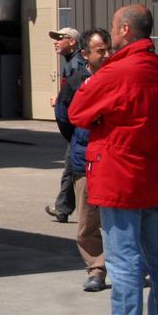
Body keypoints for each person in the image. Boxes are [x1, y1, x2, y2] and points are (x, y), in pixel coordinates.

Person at [69, 5, 158, 315]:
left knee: (123, 257)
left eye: (115, 27)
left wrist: (105, 118)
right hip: (150, 171)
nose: (113, 33)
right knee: (157, 255)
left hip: (118, 172)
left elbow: (77, 111)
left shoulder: (118, 71)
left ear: (126, 30)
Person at [55, 28, 110, 292]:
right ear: (86, 54)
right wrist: (78, 139)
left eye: (109, 49)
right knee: (87, 223)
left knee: (123, 222)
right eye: (101, 51)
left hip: (113, 159)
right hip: (84, 159)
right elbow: (63, 115)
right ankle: (97, 269)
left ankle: (132, 268)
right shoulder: (76, 80)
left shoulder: (116, 78)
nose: (107, 55)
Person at [45, 27, 85, 223]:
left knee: (72, 166)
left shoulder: (77, 63)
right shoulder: (70, 61)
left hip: (78, 124)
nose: (56, 41)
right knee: (71, 166)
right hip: (75, 123)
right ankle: (63, 208)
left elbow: (80, 92)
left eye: (60, 38)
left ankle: (63, 208)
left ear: (72, 42)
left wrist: (63, 102)